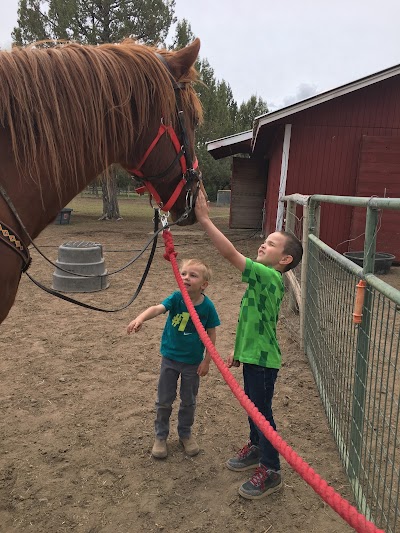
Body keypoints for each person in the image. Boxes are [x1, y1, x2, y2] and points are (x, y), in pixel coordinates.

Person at [194, 190, 303, 500]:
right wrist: (238, 353)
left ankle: (271, 470)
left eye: (270, 244)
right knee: (254, 410)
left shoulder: (270, 276)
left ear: (284, 260)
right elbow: (251, 321)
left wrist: (204, 219)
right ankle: (257, 447)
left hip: (264, 362)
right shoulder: (264, 279)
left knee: (262, 413)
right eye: (264, 240)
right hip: (254, 357)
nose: (263, 244)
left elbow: (230, 255)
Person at [127, 258, 220, 459]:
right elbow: (158, 308)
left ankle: (185, 434)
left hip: (192, 363)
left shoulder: (207, 307)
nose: (186, 277)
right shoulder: (177, 298)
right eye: (184, 273)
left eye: (193, 275)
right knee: (164, 400)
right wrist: (140, 318)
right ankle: (160, 436)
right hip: (170, 358)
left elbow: (211, 334)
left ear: (204, 284)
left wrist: (207, 361)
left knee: (188, 400)